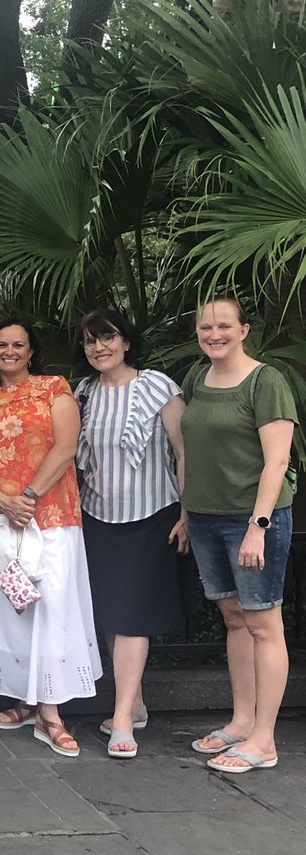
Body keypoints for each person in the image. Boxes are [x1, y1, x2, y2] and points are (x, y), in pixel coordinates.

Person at [0, 317, 100, 757]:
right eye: (1, 344)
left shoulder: (54, 388)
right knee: (14, 608)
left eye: (18, 345)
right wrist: (4, 502)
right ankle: (25, 698)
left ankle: (52, 712)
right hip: (0, 522)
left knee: (53, 607)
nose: (9, 351)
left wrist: (28, 495)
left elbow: (66, 446)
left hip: (52, 515)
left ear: (31, 351)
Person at [181, 297, 297, 774]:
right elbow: (191, 447)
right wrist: (187, 511)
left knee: (264, 624)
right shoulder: (196, 378)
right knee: (234, 619)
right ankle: (242, 721)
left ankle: (265, 740)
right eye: (206, 326)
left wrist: (258, 527)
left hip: (252, 521)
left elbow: (278, 460)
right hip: (206, 517)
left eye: (224, 325)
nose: (215, 334)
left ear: (244, 329)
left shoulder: (266, 381)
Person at [73, 309, 189, 758]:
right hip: (97, 516)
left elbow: (184, 452)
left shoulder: (158, 384)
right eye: (89, 341)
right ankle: (135, 702)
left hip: (153, 514)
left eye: (107, 337)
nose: (99, 347)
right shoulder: (84, 391)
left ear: (125, 341)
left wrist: (188, 513)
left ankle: (122, 719)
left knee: (133, 615)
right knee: (109, 613)